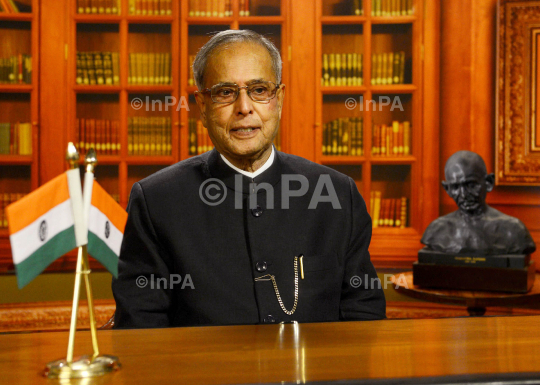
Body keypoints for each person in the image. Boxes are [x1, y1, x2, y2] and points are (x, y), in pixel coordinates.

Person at [112, 30, 386, 328]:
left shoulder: (338, 194)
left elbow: (364, 318)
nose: (244, 108)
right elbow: (141, 329)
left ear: (278, 99)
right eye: (225, 92)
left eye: (259, 90)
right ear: (202, 107)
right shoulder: (157, 201)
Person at [421, 150, 536, 255]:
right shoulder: (437, 230)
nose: (463, 194)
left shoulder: (513, 230)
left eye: (471, 185)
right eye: (455, 187)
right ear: (447, 189)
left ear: (488, 183)